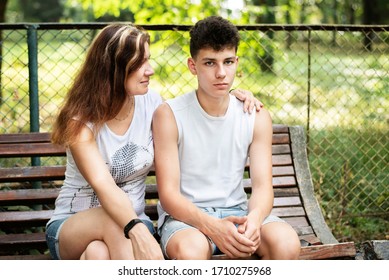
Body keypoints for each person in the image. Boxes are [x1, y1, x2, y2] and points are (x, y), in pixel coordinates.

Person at [45, 23, 263, 260]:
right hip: (76, 226)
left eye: (148, 60)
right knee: (113, 222)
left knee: (97, 254)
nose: (150, 70)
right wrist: (136, 229)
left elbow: (195, 111)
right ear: (113, 67)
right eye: (140, 63)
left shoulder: (151, 104)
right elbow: (105, 187)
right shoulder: (80, 122)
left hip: (133, 225)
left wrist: (232, 95)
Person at [152, 16, 301, 260]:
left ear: (236, 62)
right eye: (210, 63)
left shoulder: (255, 115)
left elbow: (263, 187)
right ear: (193, 66)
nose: (221, 73)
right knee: (191, 252)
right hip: (188, 219)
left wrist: (254, 219)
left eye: (228, 62)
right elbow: (169, 195)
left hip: (239, 212)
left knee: (285, 243)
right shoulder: (169, 115)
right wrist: (212, 226)